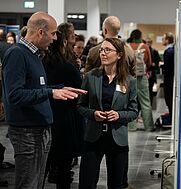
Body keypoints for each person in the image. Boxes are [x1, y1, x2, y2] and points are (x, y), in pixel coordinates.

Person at [2, 12, 87, 189]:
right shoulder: (17, 54)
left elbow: (35, 88)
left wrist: (57, 89)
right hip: (27, 132)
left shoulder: (35, 55)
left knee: (36, 183)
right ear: (41, 32)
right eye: (54, 33)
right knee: (28, 184)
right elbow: (15, 95)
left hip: (39, 131)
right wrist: (50, 93)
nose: (56, 38)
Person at [77, 37, 138, 189]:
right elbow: (80, 106)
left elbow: (133, 111)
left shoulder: (129, 81)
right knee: (86, 182)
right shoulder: (91, 77)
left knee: (116, 184)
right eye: (101, 50)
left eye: (107, 50)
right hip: (93, 138)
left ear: (119, 55)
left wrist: (119, 115)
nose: (103, 53)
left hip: (117, 138)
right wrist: (93, 114)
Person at [43, 31, 84, 189]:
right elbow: (79, 91)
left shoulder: (39, 65)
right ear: (62, 45)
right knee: (64, 171)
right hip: (66, 120)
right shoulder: (68, 67)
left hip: (45, 118)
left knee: (42, 169)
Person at [127, 29, 155, 132]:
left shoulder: (127, 46)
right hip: (141, 77)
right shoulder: (145, 46)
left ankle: (131, 127)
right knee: (145, 102)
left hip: (129, 78)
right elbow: (149, 63)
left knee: (129, 102)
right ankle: (149, 127)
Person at [162, 32, 175, 124]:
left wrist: (162, 66)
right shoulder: (171, 50)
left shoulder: (169, 51)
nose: (162, 40)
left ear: (167, 40)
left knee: (169, 99)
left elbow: (167, 67)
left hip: (169, 79)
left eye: (163, 38)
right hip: (170, 78)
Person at [145, 37, 161, 105]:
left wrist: (154, 64)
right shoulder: (143, 50)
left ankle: (150, 104)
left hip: (151, 74)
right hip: (144, 73)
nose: (148, 44)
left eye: (149, 42)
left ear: (151, 43)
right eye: (147, 42)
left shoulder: (154, 51)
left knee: (150, 90)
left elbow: (158, 63)